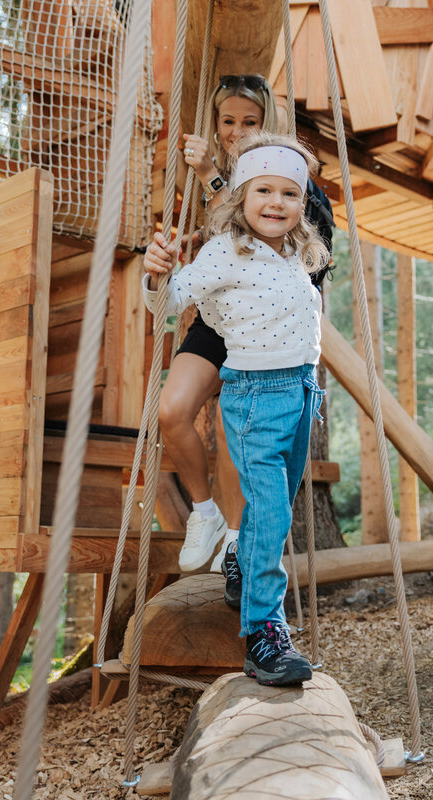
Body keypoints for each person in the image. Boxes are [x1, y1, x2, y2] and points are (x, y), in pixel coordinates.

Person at [143, 132, 327, 686]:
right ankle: (264, 634)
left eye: (290, 194)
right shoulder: (226, 250)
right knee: (271, 511)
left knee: (277, 505)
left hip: (301, 393)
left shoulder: (297, 251)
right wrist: (156, 272)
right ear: (242, 196)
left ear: (303, 203)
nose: (276, 203)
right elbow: (171, 301)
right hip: (255, 397)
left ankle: (241, 561)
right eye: (264, 191)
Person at [146, 74, 335, 578]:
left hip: (266, 325)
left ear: (266, 123)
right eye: (228, 121)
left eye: (248, 122)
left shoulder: (294, 183)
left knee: (237, 436)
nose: (235, 131)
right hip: (219, 318)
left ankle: (235, 540)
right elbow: (221, 241)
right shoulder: (219, 171)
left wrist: (210, 173)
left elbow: (271, 234)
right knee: (173, 409)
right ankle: (204, 514)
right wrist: (171, 261)